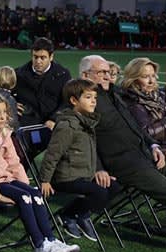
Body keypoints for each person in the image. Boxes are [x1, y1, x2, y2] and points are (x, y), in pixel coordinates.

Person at [0, 92, 80, 252]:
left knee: (35, 194)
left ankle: (51, 240)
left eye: (5, 112)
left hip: (5, 178)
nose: (3, 117)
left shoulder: (3, 132)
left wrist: (24, 183)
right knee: (25, 197)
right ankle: (40, 245)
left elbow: (14, 162)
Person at [39, 79, 121, 241]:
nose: (93, 101)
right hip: (64, 178)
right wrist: (44, 180)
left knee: (113, 187)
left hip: (82, 174)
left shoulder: (87, 122)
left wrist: (98, 172)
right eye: (88, 97)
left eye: (95, 98)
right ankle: (67, 215)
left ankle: (81, 214)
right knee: (99, 193)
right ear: (74, 100)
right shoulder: (68, 125)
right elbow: (52, 155)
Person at [80, 55, 166, 205]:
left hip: (144, 153)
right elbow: (83, 139)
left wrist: (153, 145)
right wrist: (97, 168)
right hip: (125, 163)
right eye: (101, 73)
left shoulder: (115, 93)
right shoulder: (83, 102)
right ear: (85, 75)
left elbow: (135, 126)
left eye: (108, 72)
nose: (108, 77)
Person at [13, 37, 71, 128]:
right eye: (35, 57)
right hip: (26, 125)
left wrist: (54, 119)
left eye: (43, 58)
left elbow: (66, 101)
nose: (38, 61)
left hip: (53, 126)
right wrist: (10, 103)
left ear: (51, 57)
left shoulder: (63, 75)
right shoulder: (18, 74)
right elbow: (4, 93)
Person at [120, 57, 166, 151]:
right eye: (145, 77)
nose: (151, 81)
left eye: (153, 76)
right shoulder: (131, 101)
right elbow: (146, 134)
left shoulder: (157, 94)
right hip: (155, 150)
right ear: (133, 78)